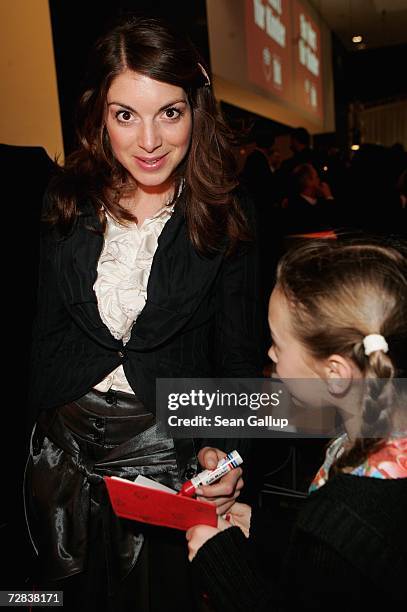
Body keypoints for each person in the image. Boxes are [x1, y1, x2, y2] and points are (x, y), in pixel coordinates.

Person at [24, 17, 262, 612]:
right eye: (125, 114)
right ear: (99, 116)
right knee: (45, 599)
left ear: (196, 111)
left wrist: (228, 455)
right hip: (60, 453)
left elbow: (240, 358)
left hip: (163, 456)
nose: (149, 140)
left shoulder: (227, 212)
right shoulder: (66, 198)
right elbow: (43, 330)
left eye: (170, 113)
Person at [187, 239, 407, 610]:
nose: (269, 354)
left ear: (335, 373)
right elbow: (338, 574)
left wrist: (220, 559)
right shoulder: (376, 441)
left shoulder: (344, 511)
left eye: (276, 343)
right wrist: (260, 526)